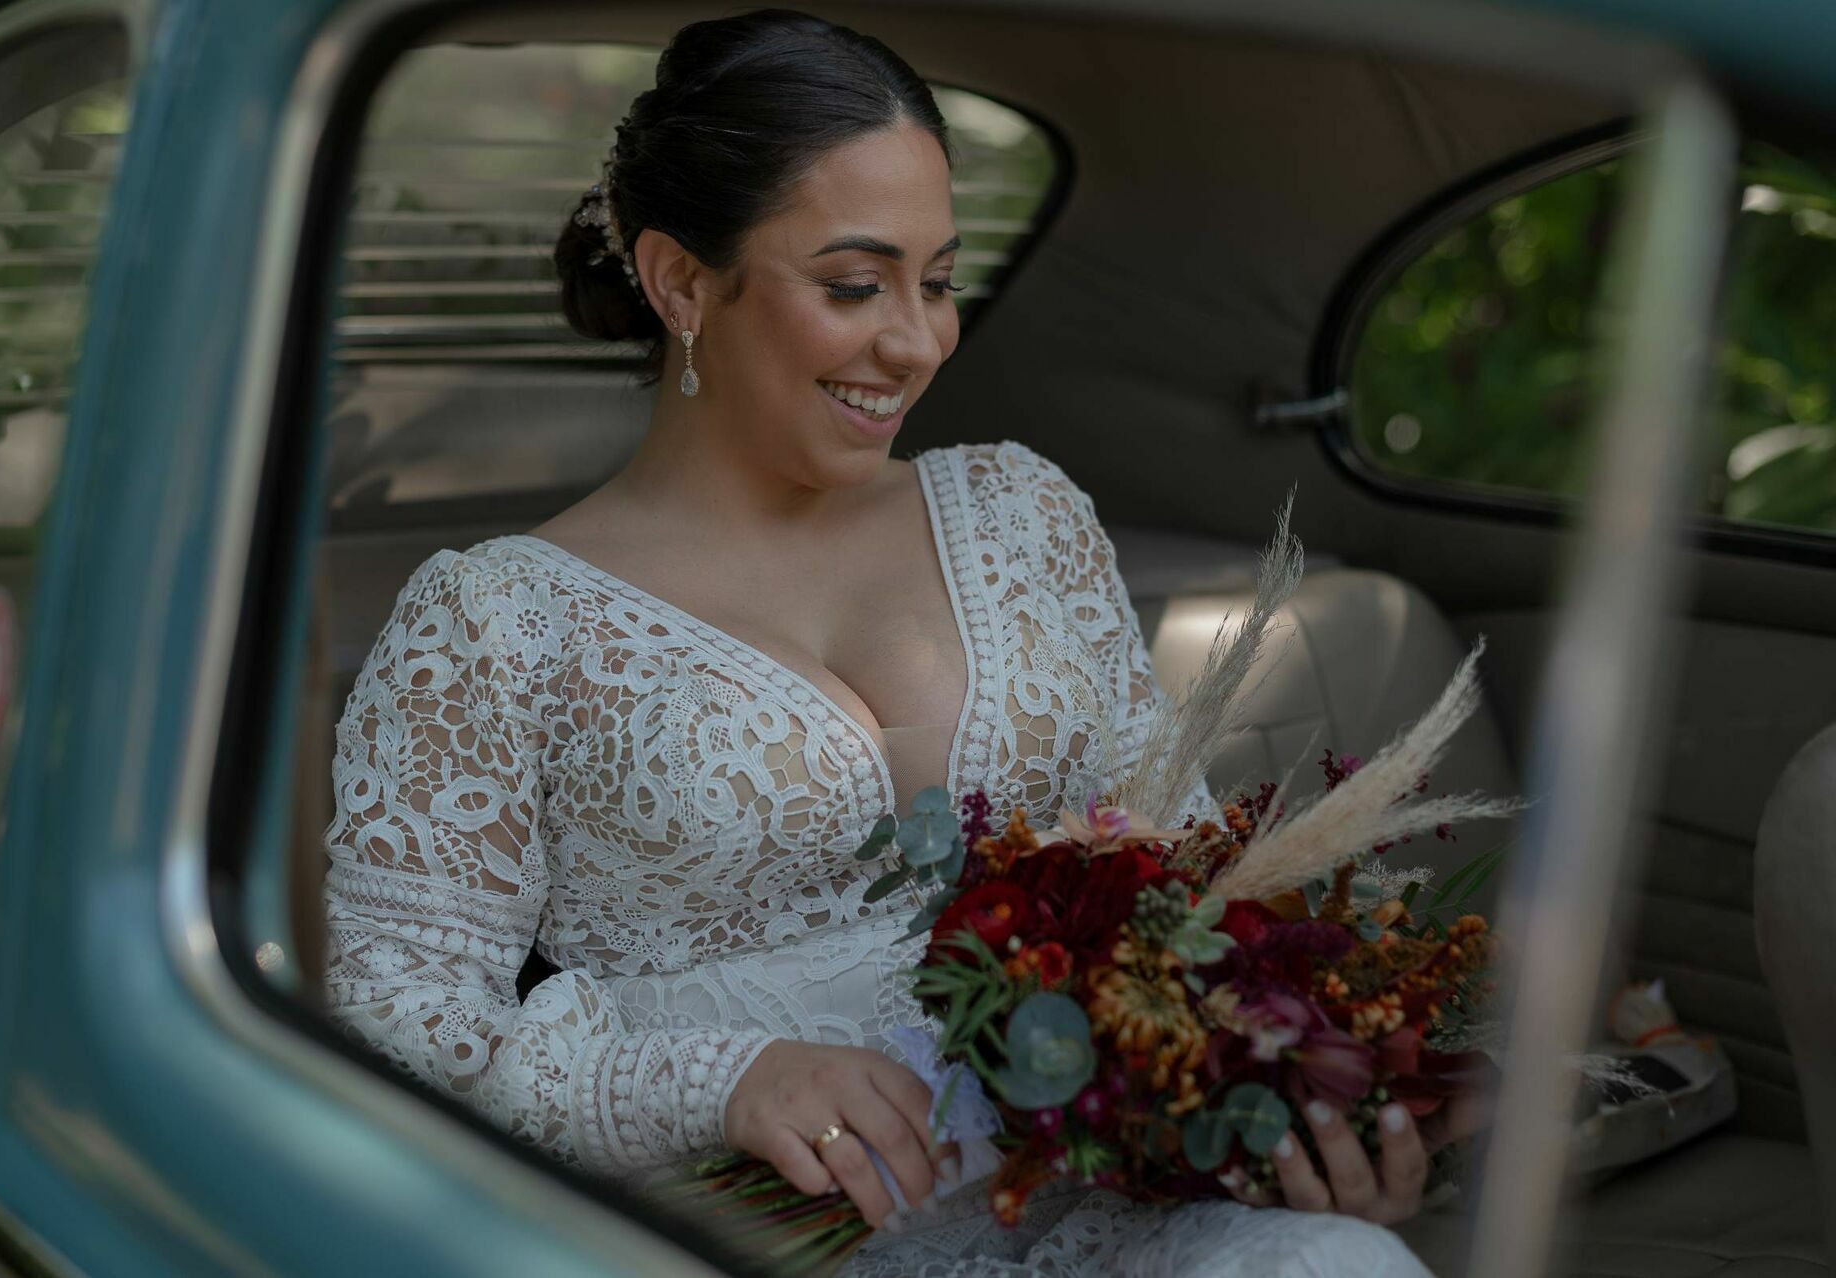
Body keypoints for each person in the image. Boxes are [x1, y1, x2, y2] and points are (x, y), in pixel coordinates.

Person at [321, 10, 1452, 1273]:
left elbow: (1174, 869)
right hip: (748, 1233)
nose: (915, 341)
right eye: (855, 286)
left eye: (940, 278)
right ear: (681, 281)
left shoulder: (1021, 513)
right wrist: (722, 1081)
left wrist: (1286, 1085)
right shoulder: (493, 621)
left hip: (1111, 1190)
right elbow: (395, 1037)